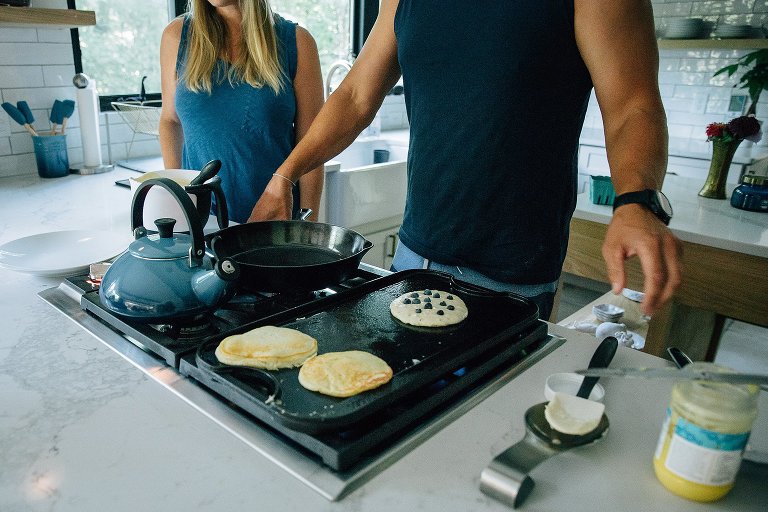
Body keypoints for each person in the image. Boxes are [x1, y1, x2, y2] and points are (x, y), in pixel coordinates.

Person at [249, 0, 682, 320]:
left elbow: (633, 104)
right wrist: (285, 175)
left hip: (510, 274)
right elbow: (355, 96)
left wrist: (637, 202)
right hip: (414, 257)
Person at [159, 0, 324, 224]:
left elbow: (312, 146)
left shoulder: (297, 42)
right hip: (201, 224)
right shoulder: (177, 36)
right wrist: (178, 199)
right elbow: (170, 120)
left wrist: (307, 227)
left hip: (273, 225)